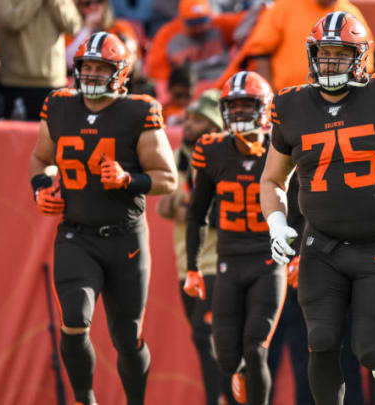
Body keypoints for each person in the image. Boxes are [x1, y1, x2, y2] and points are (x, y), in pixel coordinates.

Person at [259, 12, 375, 405]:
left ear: (360, 57)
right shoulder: (292, 105)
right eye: (323, 54)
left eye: (339, 54)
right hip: (322, 245)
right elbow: (272, 179)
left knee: (373, 354)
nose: (329, 63)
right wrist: (276, 221)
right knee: (322, 340)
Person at [28, 32, 177, 405]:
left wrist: (129, 180)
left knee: (127, 337)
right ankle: (85, 399)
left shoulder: (138, 111)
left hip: (125, 237)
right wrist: (41, 186)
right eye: (87, 66)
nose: (92, 74)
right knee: (75, 320)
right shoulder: (60, 105)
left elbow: (168, 179)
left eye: (101, 67)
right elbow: (41, 158)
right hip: (77, 235)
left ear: (121, 72)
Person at [185, 71, 287, 405]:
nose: (241, 112)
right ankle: (241, 376)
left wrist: (297, 253)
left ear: (264, 107)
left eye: (248, 105)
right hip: (228, 260)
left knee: (256, 348)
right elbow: (196, 211)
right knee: (227, 356)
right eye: (235, 105)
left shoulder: (281, 146)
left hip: (268, 260)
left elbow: (302, 207)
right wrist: (193, 267)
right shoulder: (212, 149)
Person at [157, 90, 235, 405]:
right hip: (187, 264)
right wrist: (187, 208)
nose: (189, 125)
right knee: (210, 342)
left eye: (199, 119)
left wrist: (191, 209)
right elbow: (165, 206)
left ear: (215, 126)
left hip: (218, 262)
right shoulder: (181, 156)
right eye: (189, 117)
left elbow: (222, 213)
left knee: (208, 338)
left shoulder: (228, 157)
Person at [214, 0, 374, 92]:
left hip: (339, 97)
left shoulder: (352, 13)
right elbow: (260, 51)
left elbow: (365, 65)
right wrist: (270, 94)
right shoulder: (286, 6)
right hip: (288, 97)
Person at [0, 0, 81, 120]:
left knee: (51, 136)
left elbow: (73, 26)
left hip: (52, 82)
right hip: (15, 82)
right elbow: (11, 21)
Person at [146, 0, 245, 97]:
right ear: (182, 20)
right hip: (189, 92)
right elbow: (159, 77)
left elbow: (251, 20)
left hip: (223, 84)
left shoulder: (220, 24)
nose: (198, 28)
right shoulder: (166, 35)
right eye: (193, 23)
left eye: (202, 21)